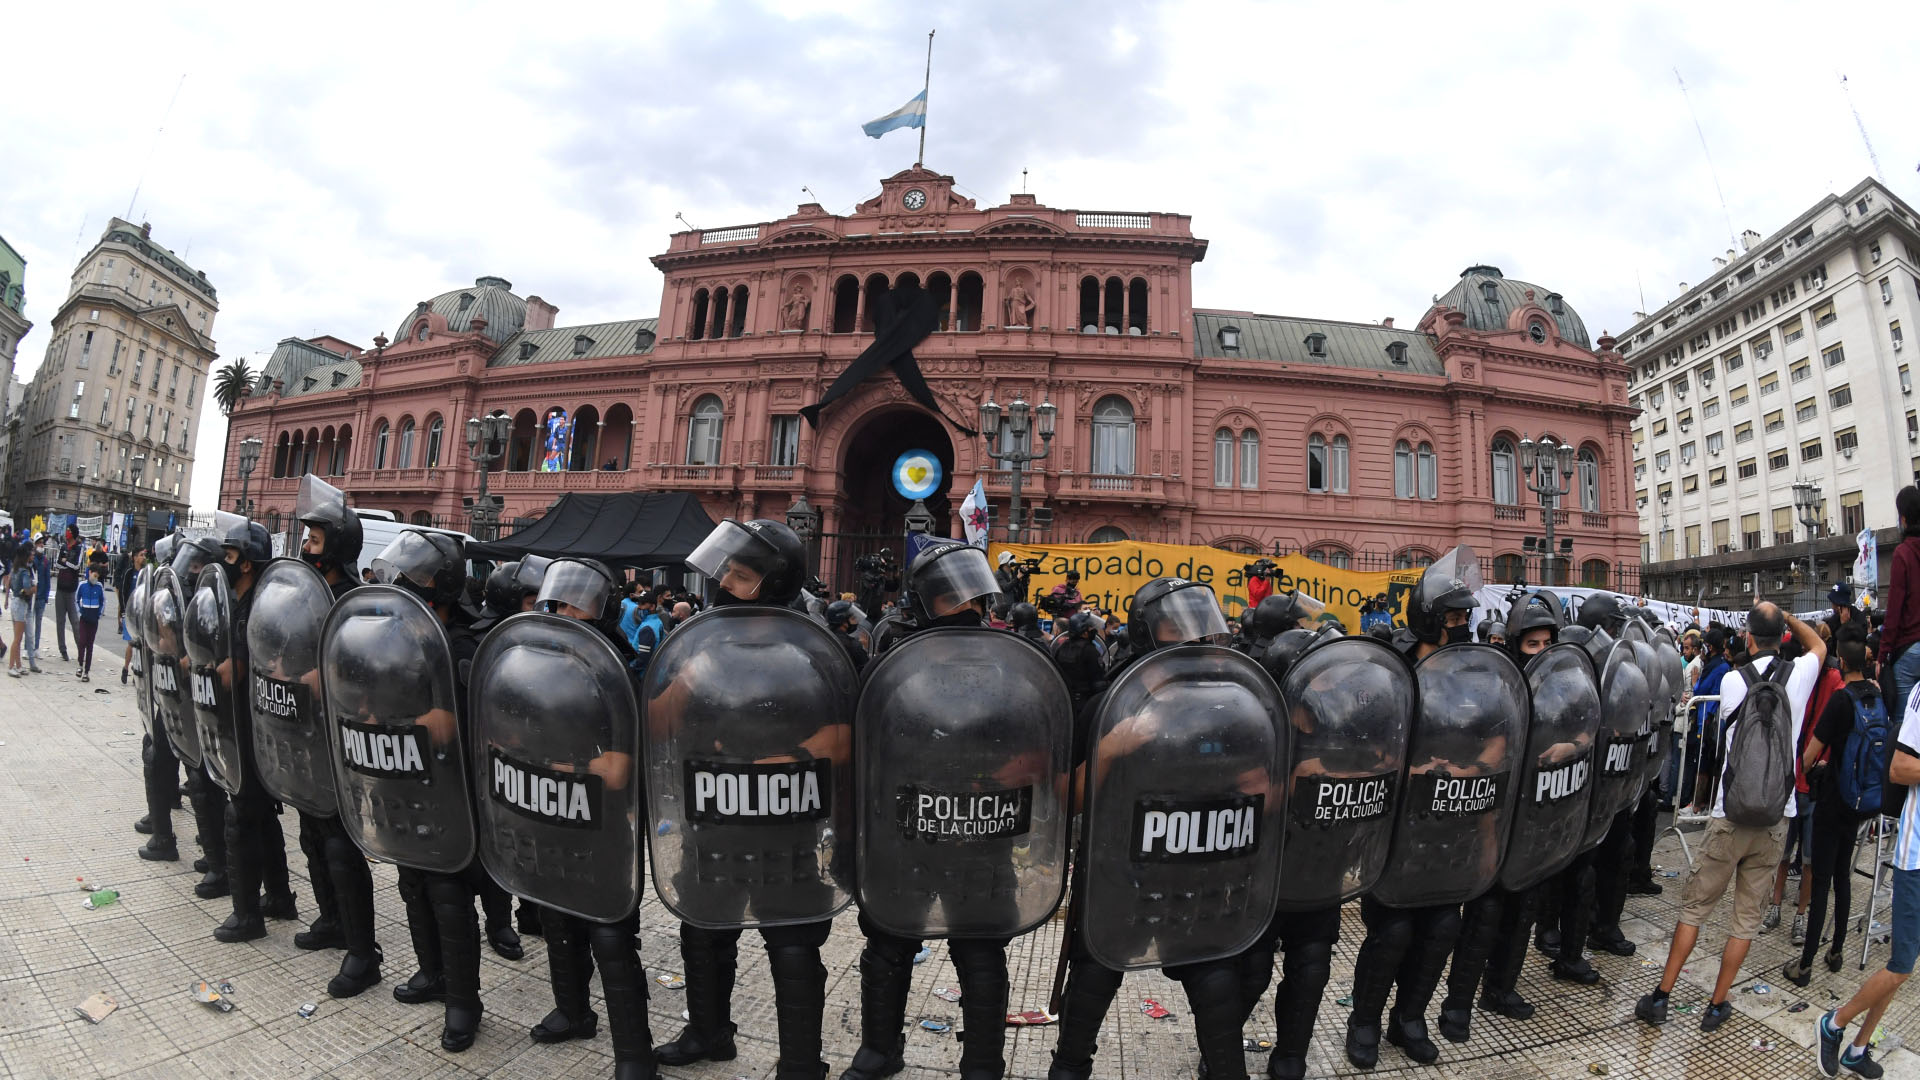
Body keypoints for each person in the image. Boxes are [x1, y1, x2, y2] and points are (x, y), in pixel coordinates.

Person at [1048, 577, 1269, 1080]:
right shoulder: (1110, 703)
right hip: (1120, 872)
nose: (1192, 635)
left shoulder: (1227, 703)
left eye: (1199, 621)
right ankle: (1069, 1066)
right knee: (1096, 971)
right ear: (1149, 632)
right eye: (1177, 623)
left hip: (1200, 869)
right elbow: (1066, 798)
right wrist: (1114, 747)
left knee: (1214, 977)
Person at [651, 519, 848, 1080]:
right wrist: (689, 673)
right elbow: (659, 721)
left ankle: (802, 1062)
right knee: (703, 930)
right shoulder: (705, 641)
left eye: (741, 575)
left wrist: (789, 760)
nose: (725, 583)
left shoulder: (814, 646)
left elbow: (848, 730)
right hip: (712, 815)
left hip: (787, 819)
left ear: (775, 581)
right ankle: (708, 1033)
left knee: (792, 942)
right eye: (728, 571)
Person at [1637, 602, 1825, 1032]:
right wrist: (1788, 617)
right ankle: (1718, 1004)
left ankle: (1662, 997)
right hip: (1777, 817)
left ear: (1748, 638)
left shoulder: (1734, 682)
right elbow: (1817, 642)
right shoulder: (1799, 676)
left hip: (1729, 814)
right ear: (1783, 636)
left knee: (1695, 908)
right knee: (1744, 919)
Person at [521, 558, 657, 1080]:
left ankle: (634, 1052)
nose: (558, 609)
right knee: (557, 917)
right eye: (555, 599)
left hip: (601, 819)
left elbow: (621, 763)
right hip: (548, 809)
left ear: (600, 608)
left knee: (609, 931)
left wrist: (566, 766)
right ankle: (573, 1011)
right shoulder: (539, 657)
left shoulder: (613, 665)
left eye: (573, 601)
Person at [1349, 554, 1477, 1068]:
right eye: (1453, 617)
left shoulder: (1473, 671)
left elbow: (1495, 737)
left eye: (1465, 615)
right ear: (1427, 616)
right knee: (1394, 931)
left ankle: (1409, 1019)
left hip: (1451, 822)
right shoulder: (1390, 669)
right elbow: (1362, 739)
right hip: (1397, 827)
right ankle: (1364, 1022)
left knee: (1443, 927)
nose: (1463, 624)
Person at [1815, 660, 1918, 1080]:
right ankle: (1834, 1022)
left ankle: (1858, 1048)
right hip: (1916, 858)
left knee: (1901, 965)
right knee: (1900, 966)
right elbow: (1900, 769)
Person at [1785, 631, 1875, 989]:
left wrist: (1809, 768)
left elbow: (1808, 757)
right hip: (1859, 800)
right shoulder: (1875, 696)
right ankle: (1836, 951)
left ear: (1841, 659)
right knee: (1841, 877)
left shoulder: (1840, 701)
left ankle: (1804, 965)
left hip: (1833, 798)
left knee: (1820, 880)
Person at [1881, 486, 1920, 724]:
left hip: (1908, 650)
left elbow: (1894, 610)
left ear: (1903, 518)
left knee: (1904, 725)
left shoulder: (1902, 553)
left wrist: (1883, 654)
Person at [1685, 628, 1733, 812]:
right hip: (1702, 720)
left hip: (1708, 722)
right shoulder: (1712, 664)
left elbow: (1707, 691)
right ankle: (1699, 804)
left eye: (1705, 644)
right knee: (1701, 761)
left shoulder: (1720, 667)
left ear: (1711, 646)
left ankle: (1699, 805)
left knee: (1706, 763)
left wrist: (1697, 681)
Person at [119, 548, 147, 683]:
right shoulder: (129, 573)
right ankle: (125, 668)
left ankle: (138, 671)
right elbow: (123, 592)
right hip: (130, 613)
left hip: (142, 613)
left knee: (141, 645)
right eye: (141, 555)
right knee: (131, 642)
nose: (143, 558)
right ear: (135, 557)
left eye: (144, 555)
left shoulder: (146, 573)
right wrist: (124, 611)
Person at [54, 527, 82, 662]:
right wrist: (65, 563)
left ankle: (80, 650)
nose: (67, 532)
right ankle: (63, 650)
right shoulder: (63, 546)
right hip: (60, 588)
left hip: (71, 589)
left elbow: (77, 566)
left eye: (69, 530)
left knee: (75, 622)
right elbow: (57, 564)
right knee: (60, 621)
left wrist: (65, 562)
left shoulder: (78, 548)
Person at [74, 565, 104, 681]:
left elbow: (103, 601)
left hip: (94, 619)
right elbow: (76, 599)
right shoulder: (82, 585)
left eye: (97, 577)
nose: (95, 578)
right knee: (82, 642)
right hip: (84, 618)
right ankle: (80, 665)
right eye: (94, 575)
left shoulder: (99, 586)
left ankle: (87, 671)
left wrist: (99, 614)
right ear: (90, 573)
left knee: (90, 645)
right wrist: (79, 613)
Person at [7, 547, 33, 676]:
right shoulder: (24, 572)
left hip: (14, 603)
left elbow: (9, 583)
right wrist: (34, 589)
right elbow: (27, 589)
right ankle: (11, 666)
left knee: (18, 636)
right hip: (21, 605)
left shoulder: (15, 569)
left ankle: (18, 665)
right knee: (17, 639)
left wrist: (7, 599)